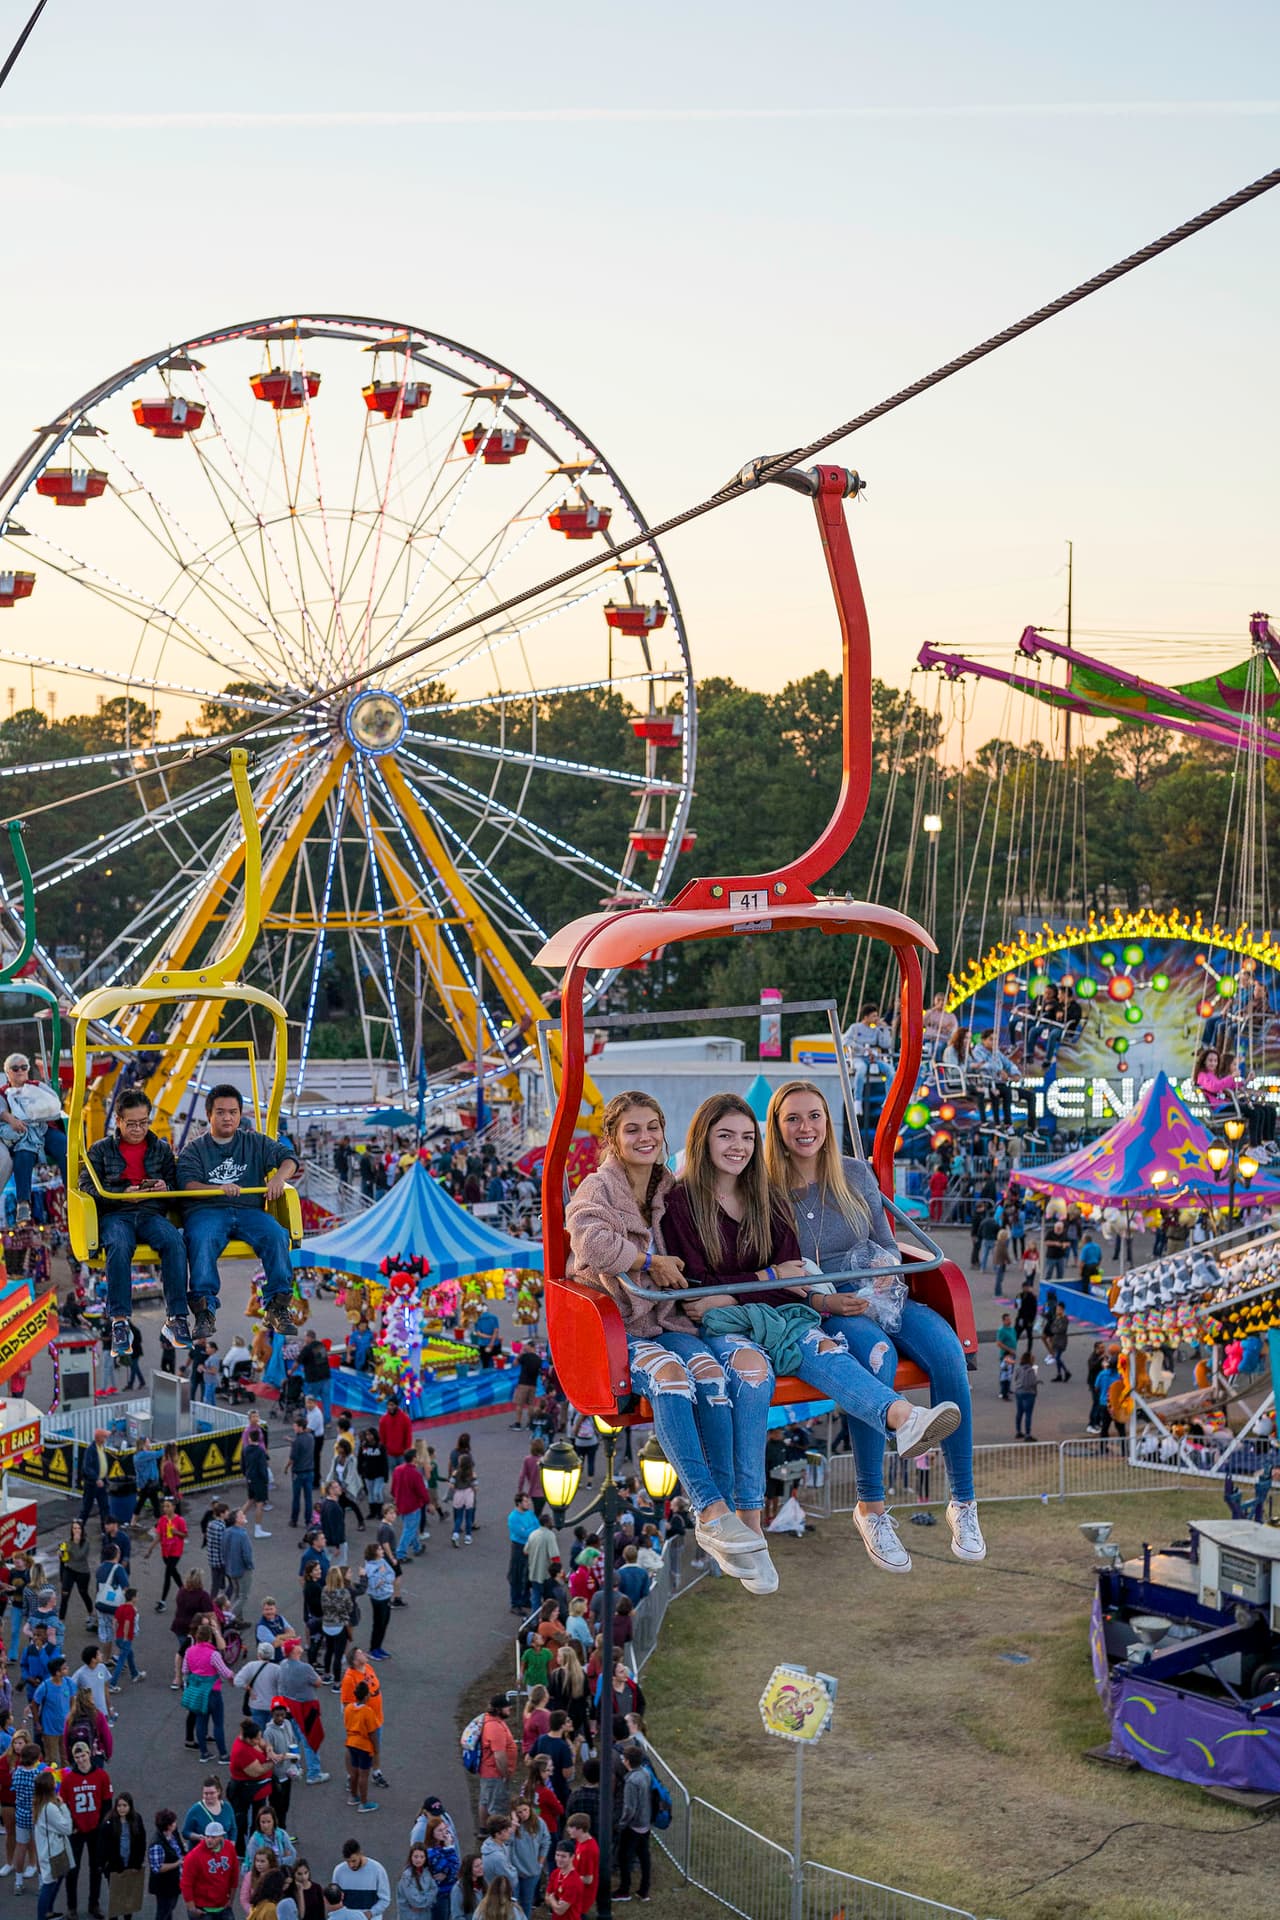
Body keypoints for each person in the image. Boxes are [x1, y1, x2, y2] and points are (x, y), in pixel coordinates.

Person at [664, 1088, 967, 1577]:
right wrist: (763, 1281)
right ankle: (749, 1525)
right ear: (703, 1140)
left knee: (825, 1348)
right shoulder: (683, 1202)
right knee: (751, 1375)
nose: (738, 1147)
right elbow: (698, 1294)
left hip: (777, 1312)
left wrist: (787, 1290)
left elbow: (793, 1270)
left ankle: (905, 1418)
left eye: (745, 1137)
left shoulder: (763, 1193)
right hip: (727, 1327)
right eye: (726, 1136)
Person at [565, 1091, 775, 1588]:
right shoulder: (598, 1188)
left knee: (713, 1373)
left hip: (664, 1320)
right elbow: (589, 1239)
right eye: (633, 1129)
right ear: (612, 1138)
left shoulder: (667, 1190)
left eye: (653, 1127)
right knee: (672, 1379)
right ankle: (709, 1506)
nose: (645, 1138)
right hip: (619, 1325)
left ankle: (731, 1524)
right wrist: (645, 1261)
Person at [177, 1085, 300, 1339]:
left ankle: (277, 1304)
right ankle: (204, 1308)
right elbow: (188, 1184)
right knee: (202, 1238)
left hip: (248, 1211)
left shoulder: (254, 1142)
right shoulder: (195, 1149)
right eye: (220, 1112)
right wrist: (218, 1189)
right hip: (208, 1210)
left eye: (233, 1112)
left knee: (276, 1234)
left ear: (240, 1114)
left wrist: (278, 1178)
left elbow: (289, 1159)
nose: (227, 1118)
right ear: (209, 1115)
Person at [82, 1088, 192, 1359]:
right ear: (118, 1121)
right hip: (116, 1213)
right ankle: (119, 1320)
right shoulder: (100, 1150)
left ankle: (176, 1317)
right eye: (131, 1124)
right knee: (119, 1245)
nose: (138, 1129)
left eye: (144, 1122)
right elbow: (86, 1186)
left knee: (174, 1242)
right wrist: (120, 1195)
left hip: (150, 1213)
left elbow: (175, 1185)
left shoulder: (161, 1149)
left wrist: (163, 1187)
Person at [0, 1052, 68, 1227]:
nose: (20, 1071)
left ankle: (71, 1191)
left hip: (44, 1128)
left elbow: (53, 1105)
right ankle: (23, 1202)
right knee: (23, 1155)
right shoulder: (4, 1093)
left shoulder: (37, 1086)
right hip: (23, 1132)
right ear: (7, 1072)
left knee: (65, 1147)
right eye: (15, 1069)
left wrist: (35, 1111)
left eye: (24, 1067)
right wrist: (12, 1120)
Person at [60, 1736, 111, 1918]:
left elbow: (107, 1803)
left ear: (90, 1754)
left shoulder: (101, 1776)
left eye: (83, 1756)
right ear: (73, 1758)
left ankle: (94, 1904)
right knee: (72, 1870)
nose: (81, 1760)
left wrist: (102, 1825)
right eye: (77, 1757)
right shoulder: (68, 1780)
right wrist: (71, 1824)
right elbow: (63, 1805)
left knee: (96, 1868)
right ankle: (71, 1907)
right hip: (76, 1831)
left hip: (95, 1830)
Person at [32, 1767, 75, 1920]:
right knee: (49, 1885)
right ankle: (43, 1916)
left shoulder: (39, 1804)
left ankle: (48, 1912)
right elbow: (67, 1828)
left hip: (47, 1851)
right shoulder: (50, 1808)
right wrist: (63, 1806)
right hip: (53, 1854)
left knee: (56, 1880)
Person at [99, 1789, 147, 1920]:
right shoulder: (108, 1823)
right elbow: (104, 1847)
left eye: (124, 1805)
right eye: (119, 1805)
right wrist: (104, 1866)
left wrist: (138, 1862)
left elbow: (141, 1842)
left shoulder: (137, 1819)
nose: (121, 1809)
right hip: (115, 1867)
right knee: (115, 1897)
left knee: (128, 1897)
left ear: (130, 1806)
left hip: (131, 1865)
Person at [613, 1748, 652, 1903]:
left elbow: (629, 1808)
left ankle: (624, 1889)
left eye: (624, 1758)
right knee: (644, 1856)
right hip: (645, 1823)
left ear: (628, 1761)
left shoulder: (631, 1781)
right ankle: (644, 1890)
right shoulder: (645, 1774)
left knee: (624, 1857)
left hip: (633, 1826)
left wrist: (621, 1824)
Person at [180, 1818, 238, 1920]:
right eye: (207, 1836)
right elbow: (186, 1884)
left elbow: (234, 1876)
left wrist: (231, 1900)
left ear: (221, 1836)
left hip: (223, 1906)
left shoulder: (229, 1848)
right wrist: (192, 1909)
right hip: (203, 1910)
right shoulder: (193, 1856)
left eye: (213, 1837)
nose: (209, 1840)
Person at [332, 1839, 390, 1920]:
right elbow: (335, 1899)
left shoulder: (377, 1869)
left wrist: (371, 1913)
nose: (351, 1865)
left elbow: (385, 1899)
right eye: (348, 1862)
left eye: (353, 1861)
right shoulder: (339, 1871)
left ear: (360, 1854)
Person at [390, 1452, 430, 1561]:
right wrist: (428, 1502)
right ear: (414, 1458)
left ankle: (417, 1547)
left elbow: (393, 1489)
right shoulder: (415, 1474)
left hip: (400, 1504)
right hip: (412, 1505)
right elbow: (422, 1491)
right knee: (409, 1529)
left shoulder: (397, 1470)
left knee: (411, 1527)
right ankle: (400, 1554)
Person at [147, 1809, 185, 1920]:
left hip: (174, 1882)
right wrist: (177, 1863)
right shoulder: (157, 1844)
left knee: (169, 1910)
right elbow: (158, 1868)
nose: (175, 1824)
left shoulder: (172, 1834)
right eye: (173, 1822)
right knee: (163, 1912)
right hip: (164, 1886)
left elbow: (179, 1845)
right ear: (168, 1826)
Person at [58, 1518, 95, 1625]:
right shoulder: (67, 1542)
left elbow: (79, 1555)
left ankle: (91, 1613)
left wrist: (74, 1543)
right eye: (74, 1528)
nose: (76, 1530)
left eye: (78, 1528)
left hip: (82, 1572)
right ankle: (61, 1620)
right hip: (69, 1571)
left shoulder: (86, 1543)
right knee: (65, 1596)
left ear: (82, 1530)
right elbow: (63, 1560)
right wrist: (60, 1554)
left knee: (83, 1593)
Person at [543, 1840, 585, 1920]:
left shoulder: (574, 1882)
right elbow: (546, 1898)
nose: (559, 1859)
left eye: (563, 1856)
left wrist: (552, 1898)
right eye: (557, 1855)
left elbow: (560, 1910)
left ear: (572, 1857)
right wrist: (556, 1903)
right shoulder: (555, 1873)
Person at [290, 1419, 317, 1532]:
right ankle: (308, 1521)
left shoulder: (297, 1441)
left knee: (296, 1497)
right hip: (309, 1470)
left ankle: (294, 1520)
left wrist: (287, 1468)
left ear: (300, 1427)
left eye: (295, 1425)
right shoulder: (311, 1437)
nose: (293, 1427)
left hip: (298, 1472)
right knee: (308, 1498)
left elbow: (293, 1458)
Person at [509, 1346, 542, 1432]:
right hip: (533, 1384)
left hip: (523, 1383)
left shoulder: (525, 1356)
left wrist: (520, 1354)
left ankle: (518, 1423)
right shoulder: (538, 1359)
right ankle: (529, 1423)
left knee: (519, 1404)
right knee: (531, 1404)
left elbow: (514, 1364)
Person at [1012, 1348, 1039, 1441]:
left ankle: (1018, 1431)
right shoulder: (1031, 1370)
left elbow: (1015, 1379)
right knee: (1028, 1414)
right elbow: (1032, 1383)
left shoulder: (1019, 1369)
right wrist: (1035, 1392)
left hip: (1019, 1392)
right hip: (1029, 1393)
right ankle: (1028, 1434)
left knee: (1019, 1412)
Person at [995, 1313, 1018, 1400]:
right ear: (1003, 1321)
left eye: (1009, 1319)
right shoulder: (1002, 1331)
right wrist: (1009, 1349)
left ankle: (1008, 1389)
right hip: (1006, 1355)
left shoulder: (1012, 1329)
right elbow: (999, 1343)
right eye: (1007, 1319)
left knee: (1010, 1373)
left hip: (1012, 1354)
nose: (1009, 1321)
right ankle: (1003, 1391)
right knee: (1004, 1374)